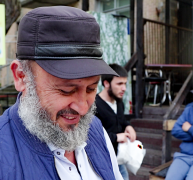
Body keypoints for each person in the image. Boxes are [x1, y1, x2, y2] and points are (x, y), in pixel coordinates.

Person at [0, 6, 124, 180]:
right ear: (22, 77)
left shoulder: (96, 129)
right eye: (66, 91)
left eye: (91, 88)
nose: (82, 108)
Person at [95, 63, 136, 180]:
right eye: (119, 84)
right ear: (106, 83)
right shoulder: (94, 106)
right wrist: (116, 137)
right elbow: (92, 136)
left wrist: (128, 126)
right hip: (101, 162)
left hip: (119, 159)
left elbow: (121, 121)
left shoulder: (119, 102)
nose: (124, 88)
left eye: (125, 83)